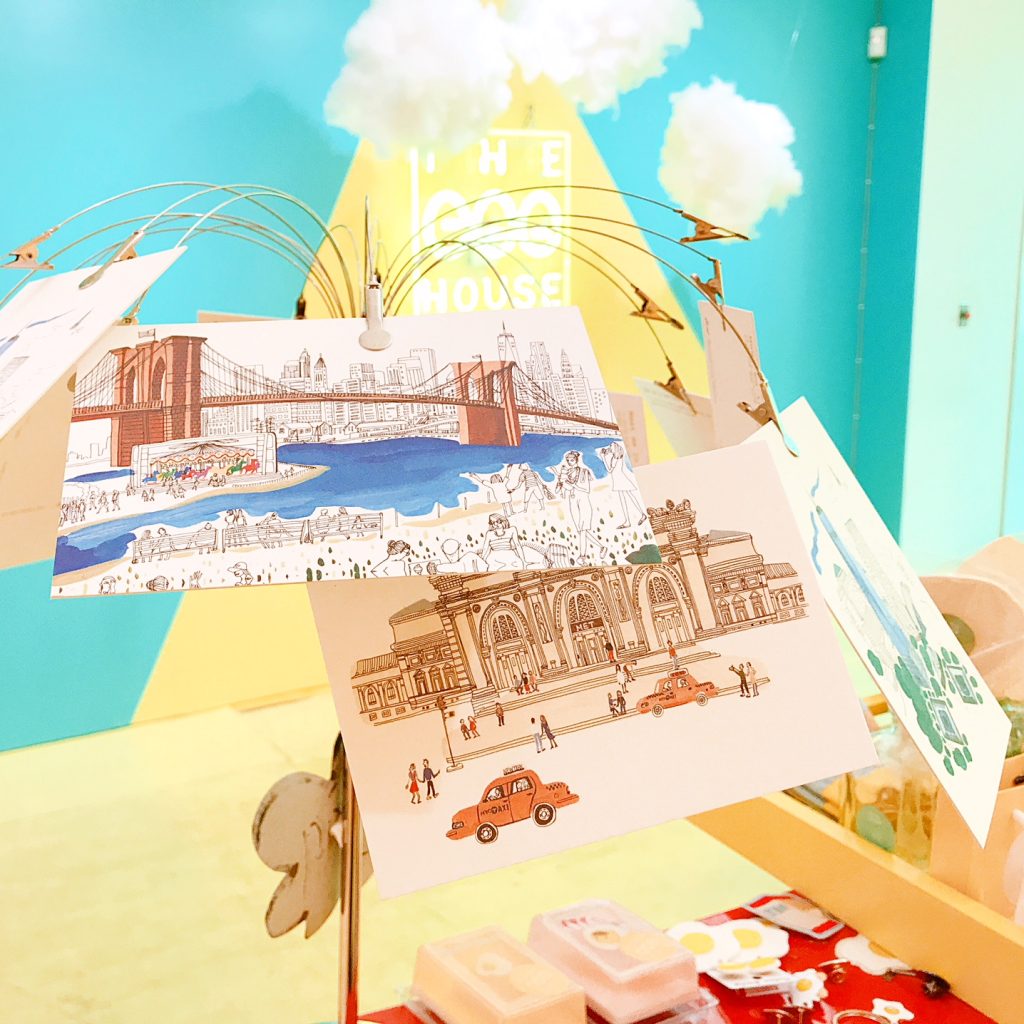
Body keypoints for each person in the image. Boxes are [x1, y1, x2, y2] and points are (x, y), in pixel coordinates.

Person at [553, 450, 607, 562]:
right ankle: (602, 547)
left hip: (583, 501)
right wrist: (560, 481)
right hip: (572, 502)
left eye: (572, 460)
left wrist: (572, 484)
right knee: (581, 530)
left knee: (583, 530)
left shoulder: (584, 471)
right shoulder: (566, 473)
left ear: (576, 460)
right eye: (568, 460)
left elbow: (586, 489)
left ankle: (582, 556)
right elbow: (558, 491)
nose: (569, 462)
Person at [598, 442, 648, 528]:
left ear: (615, 448)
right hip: (619, 478)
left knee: (624, 500)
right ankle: (640, 515)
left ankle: (628, 521)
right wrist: (606, 454)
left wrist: (603, 458)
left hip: (619, 479)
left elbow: (610, 470)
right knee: (629, 497)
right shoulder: (617, 456)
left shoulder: (616, 457)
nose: (609, 447)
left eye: (611, 446)